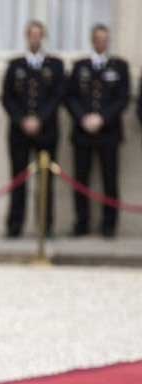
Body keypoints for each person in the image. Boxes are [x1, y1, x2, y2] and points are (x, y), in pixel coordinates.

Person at [64, 24, 130, 238]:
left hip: (109, 132)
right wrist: (83, 117)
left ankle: (109, 225)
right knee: (80, 179)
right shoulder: (80, 66)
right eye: (98, 38)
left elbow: (123, 98)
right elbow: (70, 96)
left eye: (105, 39)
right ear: (93, 40)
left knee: (110, 179)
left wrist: (102, 118)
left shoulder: (120, 66)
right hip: (83, 132)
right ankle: (81, 223)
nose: (102, 42)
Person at [1, 20, 64, 238]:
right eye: (32, 34)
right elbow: (7, 97)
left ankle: (45, 226)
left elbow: (57, 96)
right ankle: (14, 225)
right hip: (19, 132)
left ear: (43, 37)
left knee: (46, 181)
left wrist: (40, 119)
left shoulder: (55, 65)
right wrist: (22, 120)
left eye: (39, 35)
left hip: (46, 132)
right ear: (27, 37)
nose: (35, 38)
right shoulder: (15, 65)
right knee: (18, 179)